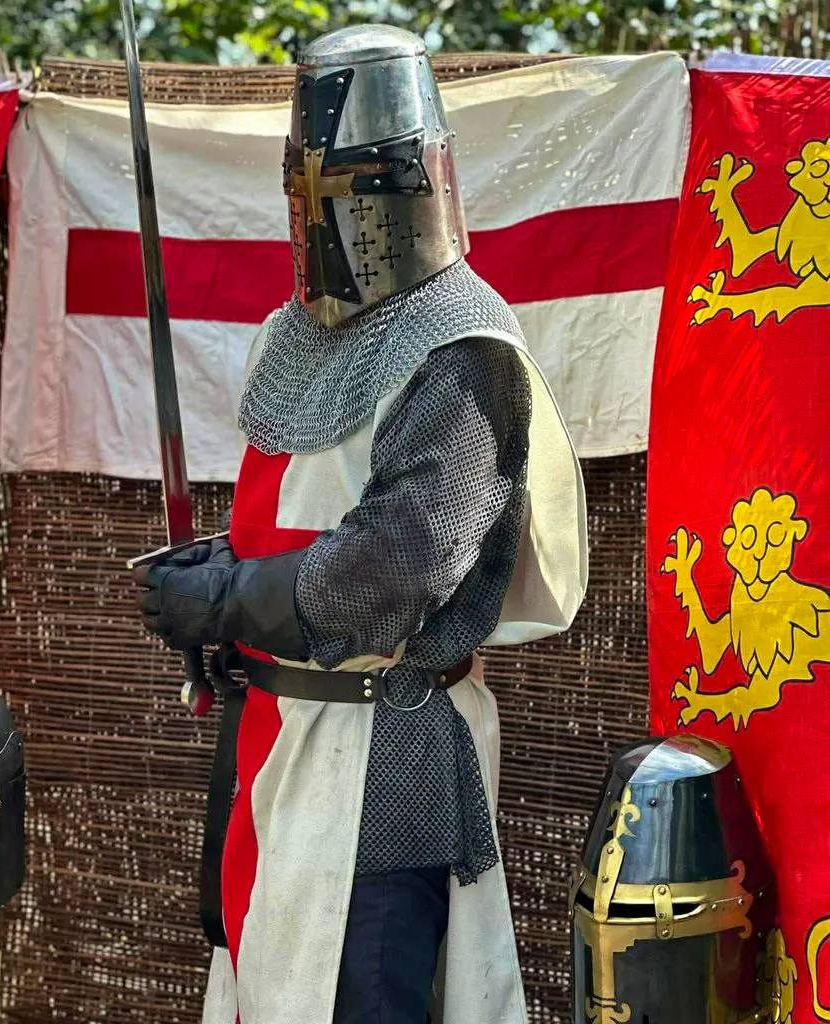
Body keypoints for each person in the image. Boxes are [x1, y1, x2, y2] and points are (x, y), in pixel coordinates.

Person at [134, 23, 587, 1024]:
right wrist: (226, 572)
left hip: (387, 750)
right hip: (281, 740)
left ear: (414, 182)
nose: (336, 218)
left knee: (365, 996)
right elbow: (308, 516)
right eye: (314, 189)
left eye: (352, 188)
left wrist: (224, 599)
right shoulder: (295, 340)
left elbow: (401, 565)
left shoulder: (464, 347)